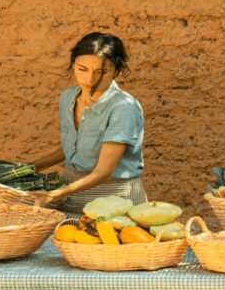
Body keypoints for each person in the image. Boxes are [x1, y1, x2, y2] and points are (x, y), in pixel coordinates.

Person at [28, 32, 147, 214]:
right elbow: (74, 148)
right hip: (69, 194)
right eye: (82, 69)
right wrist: (27, 168)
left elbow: (104, 172)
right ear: (73, 64)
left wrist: (55, 194)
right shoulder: (68, 98)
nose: (90, 79)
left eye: (101, 72)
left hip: (113, 200)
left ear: (118, 71)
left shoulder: (124, 107)